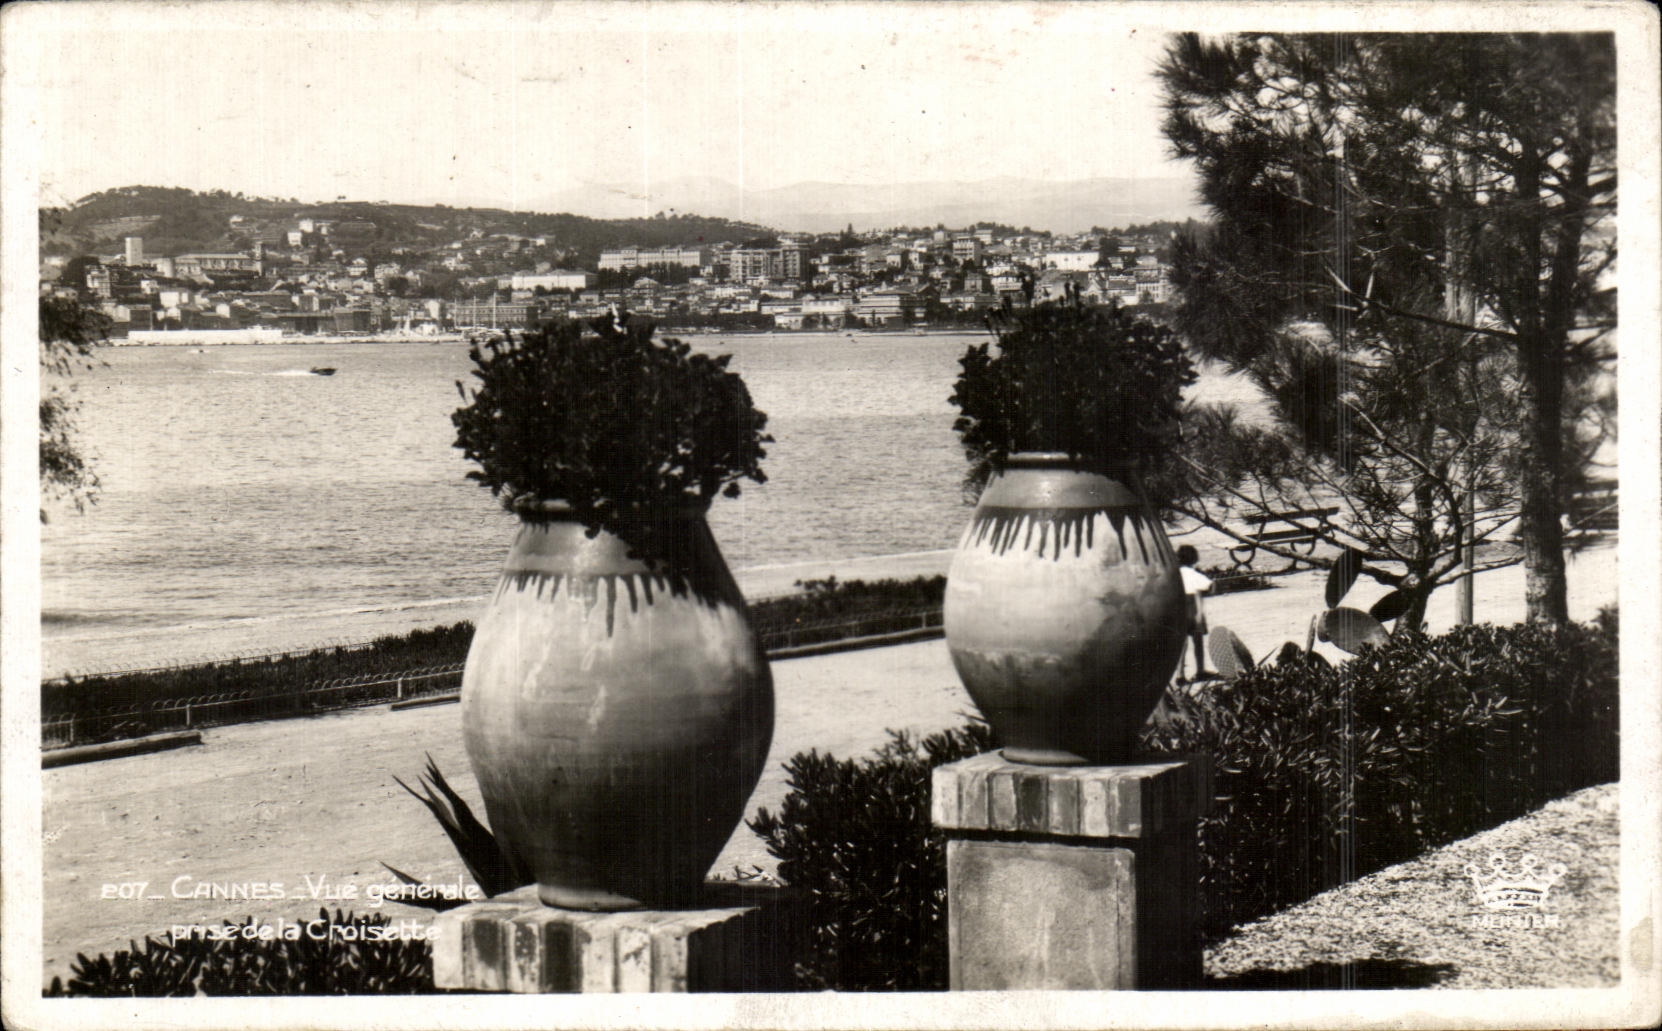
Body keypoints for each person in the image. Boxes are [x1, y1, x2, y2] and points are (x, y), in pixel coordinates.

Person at [1176, 545, 1213, 683]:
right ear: (1194, 559)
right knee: (1198, 642)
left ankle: (1180, 675)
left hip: (1179, 609)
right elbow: (1209, 587)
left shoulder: (1175, 574)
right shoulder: (1195, 575)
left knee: (1182, 644)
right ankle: (1200, 670)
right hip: (1194, 609)